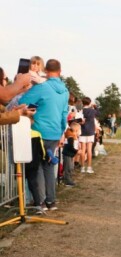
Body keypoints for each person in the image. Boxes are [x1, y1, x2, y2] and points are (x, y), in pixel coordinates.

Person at [19, 59, 68, 211]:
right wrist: (61, 133)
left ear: (46, 70)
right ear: (60, 71)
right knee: (48, 166)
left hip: (39, 132)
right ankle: (51, 201)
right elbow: (64, 113)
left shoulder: (43, 87)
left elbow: (23, 100)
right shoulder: (65, 91)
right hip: (55, 132)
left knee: (38, 167)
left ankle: (39, 201)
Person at [79, 97, 99, 174]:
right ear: (89, 103)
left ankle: (82, 167)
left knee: (83, 150)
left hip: (82, 131)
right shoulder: (92, 111)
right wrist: (95, 106)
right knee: (89, 150)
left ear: (82, 103)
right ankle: (89, 167)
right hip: (90, 131)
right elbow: (99, 113)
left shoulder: (81, 111)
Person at [62, 121, 81, 187]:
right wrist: (76, 151)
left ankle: (69, 178)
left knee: (70, 167)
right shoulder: (70, 136)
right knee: (68, 167)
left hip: (70, 154)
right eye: (78, 130)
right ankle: (67, 181)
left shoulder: (73, 136)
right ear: (75, 130)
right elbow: (70, 147)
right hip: (67, 154)